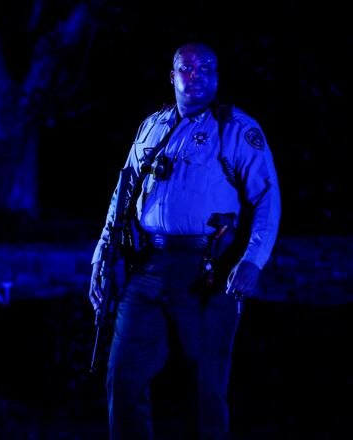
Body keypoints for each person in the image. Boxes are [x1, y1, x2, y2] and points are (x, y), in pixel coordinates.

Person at [88, 43, 280, 439]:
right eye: (186, 68)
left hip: (209, 268)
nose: (195, 75)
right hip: (149, 266)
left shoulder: (236, 128)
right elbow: (122, 194)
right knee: (123, 377)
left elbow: (267, 196)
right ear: (171, 75)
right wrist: (101, 258)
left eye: (205, 68)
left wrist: (252, 260)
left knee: (206, 387)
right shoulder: (152, 126)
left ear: (217, 76)